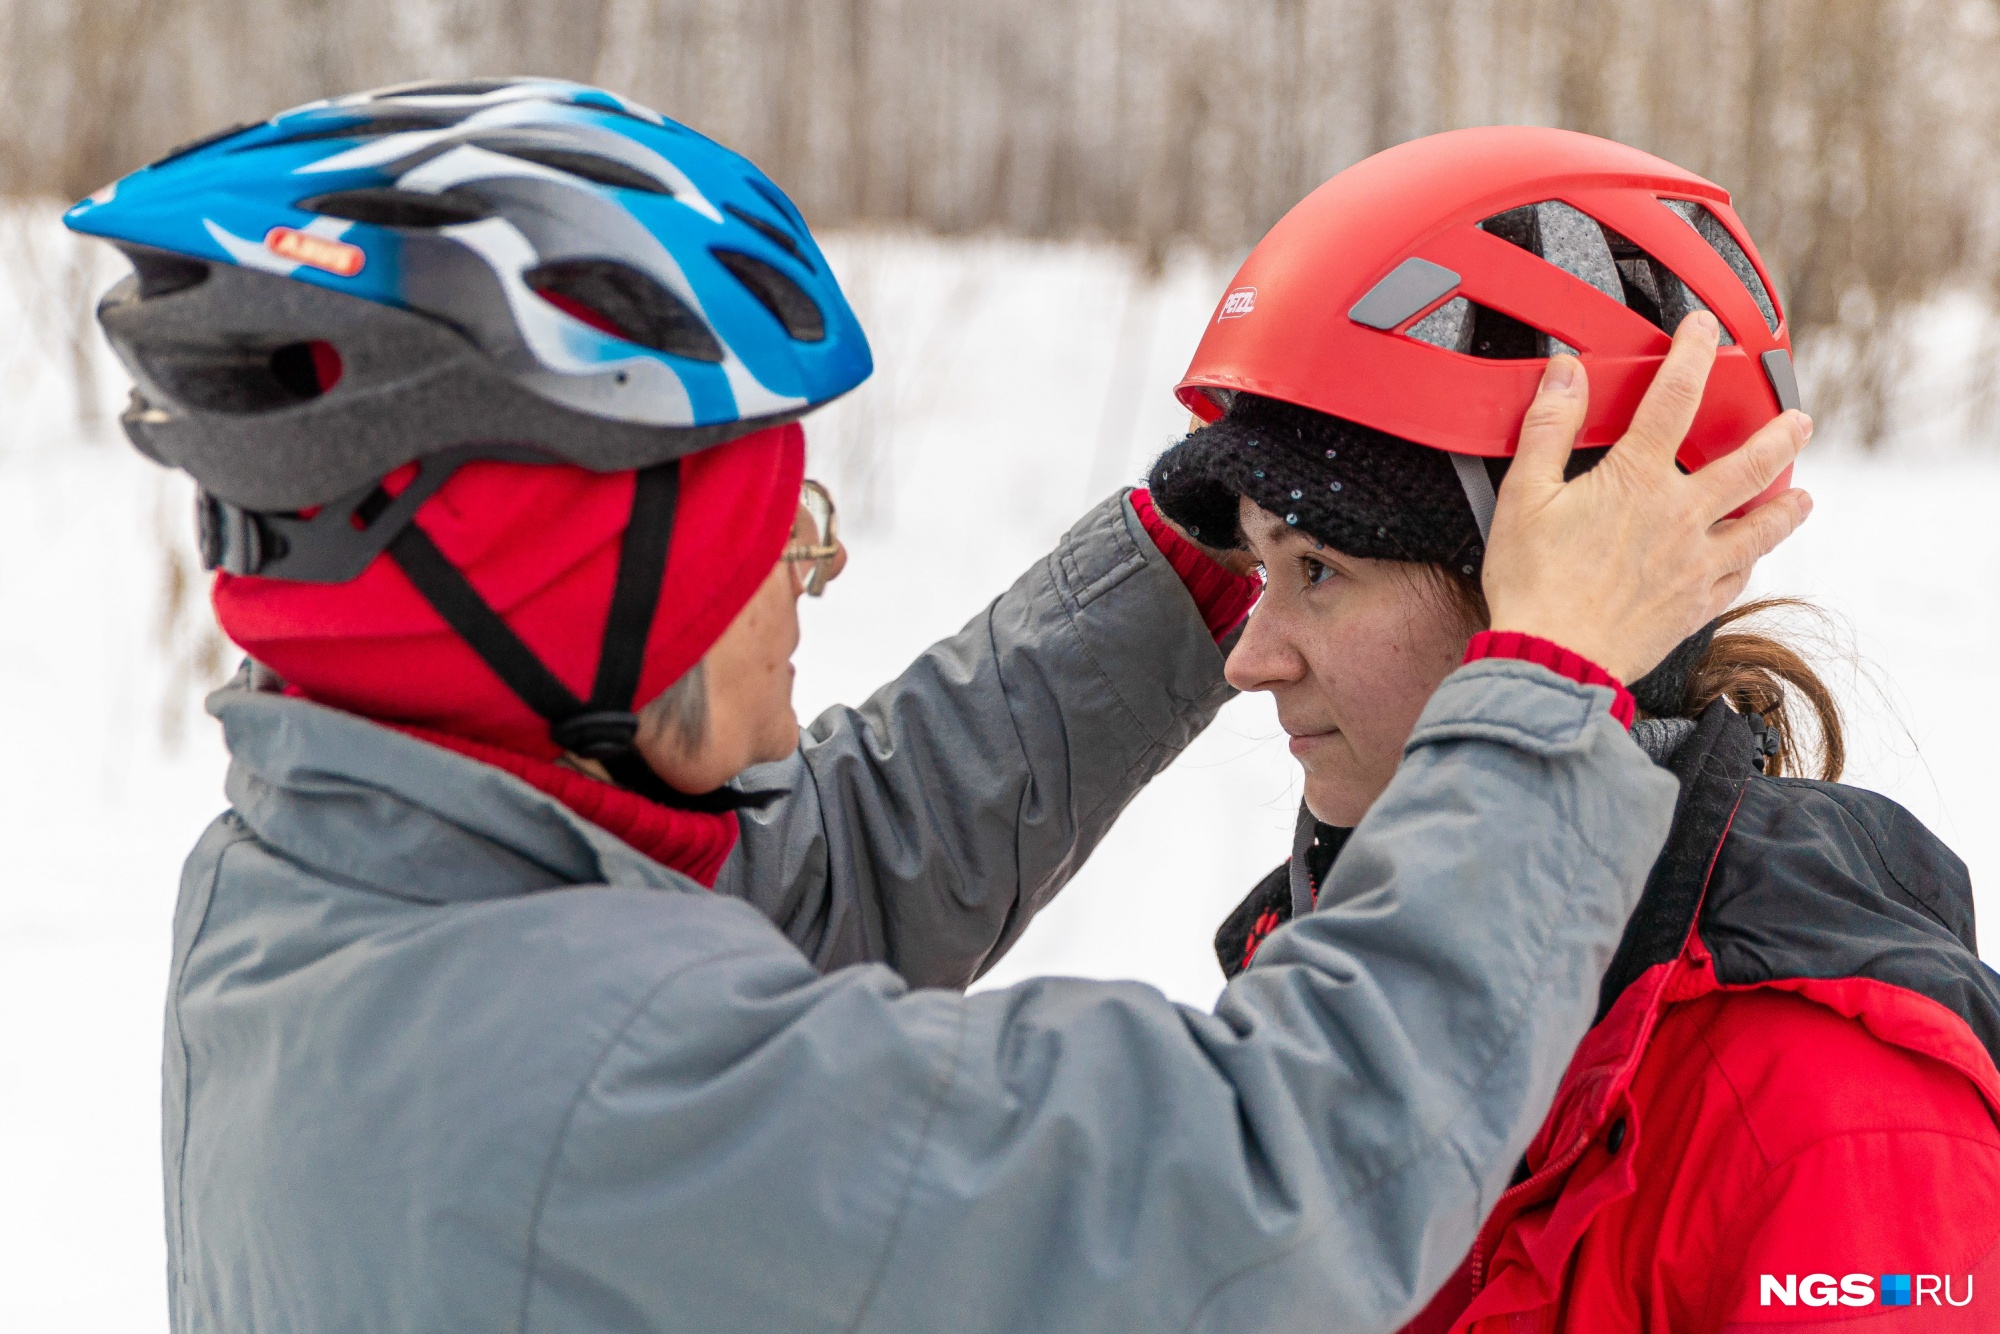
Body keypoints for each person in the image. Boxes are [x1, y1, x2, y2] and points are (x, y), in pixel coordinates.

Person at [67, 84, 1805, 1333]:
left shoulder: (338, 892)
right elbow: (1281, 1183)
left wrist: (1196, 548)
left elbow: (815, 877)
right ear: (576, 603)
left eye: (1321, 571)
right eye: (771, 539)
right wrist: (1549, 685)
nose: (807, 584)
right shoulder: (595, 1090)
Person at [1149, 126, 2000, 1331]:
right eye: (1256, 568)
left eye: (1321, 570)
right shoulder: (1323, 996)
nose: (1250, 653)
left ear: (1563, 583)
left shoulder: (1830, 1114)